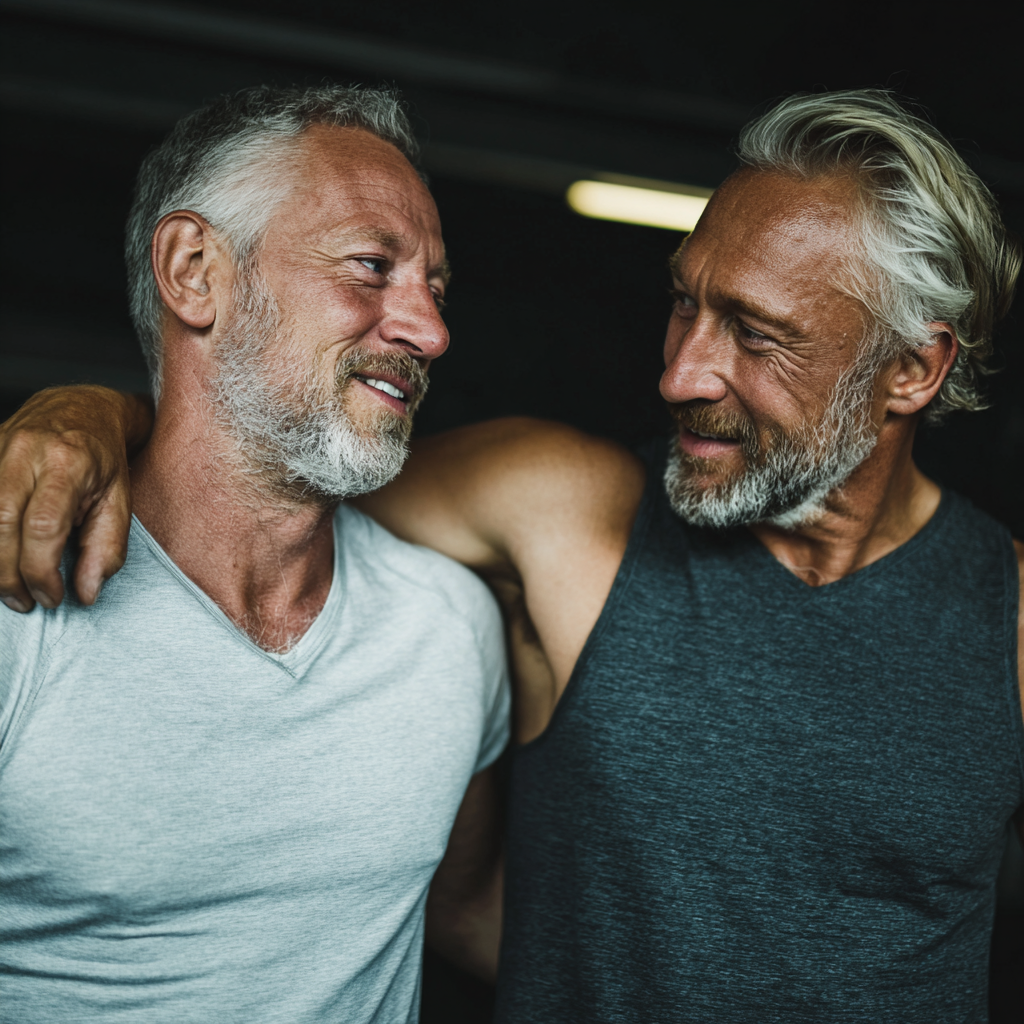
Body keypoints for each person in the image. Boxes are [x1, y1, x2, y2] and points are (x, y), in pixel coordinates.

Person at [2, 89, 1022, 1021]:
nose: (678, 374)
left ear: (912, 369)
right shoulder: (555, 506)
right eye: (682, 302)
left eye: (755, 334)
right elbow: (269, 458)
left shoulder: (1008, 620)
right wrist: (87, 418)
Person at [0, 85, 511, 1023]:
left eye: (434, 288)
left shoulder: (448, 627)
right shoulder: (17, 606)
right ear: (195, 270)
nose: (430, 331)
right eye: (370, 266)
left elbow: (467, 908)